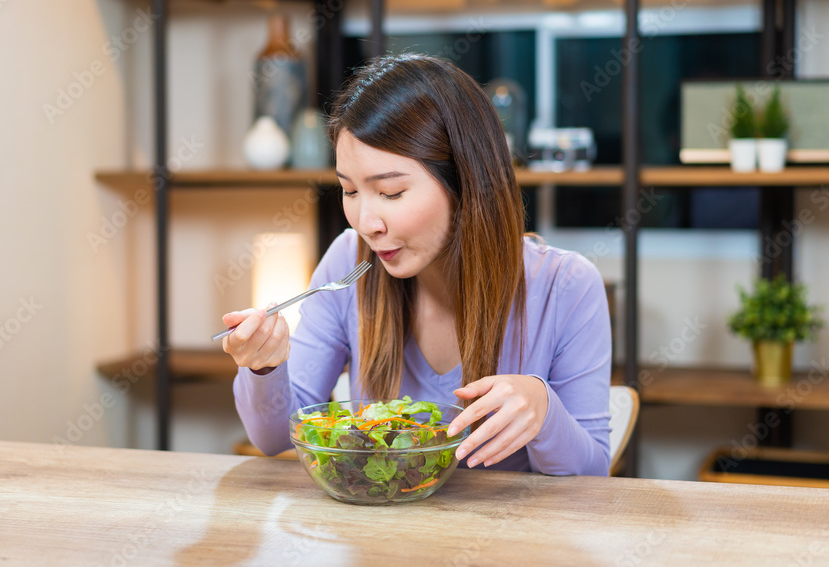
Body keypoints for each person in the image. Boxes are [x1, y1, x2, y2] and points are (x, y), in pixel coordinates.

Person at [223, 54, 611, 475]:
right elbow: (275, 437)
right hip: (382, 532)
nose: (368, 225)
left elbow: (593, 477)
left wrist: (543, 409)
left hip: (507, 536)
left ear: (465, 182)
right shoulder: (347, 262)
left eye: (390, 192)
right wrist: (264, 365)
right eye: (349, 191)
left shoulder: (565, 287)